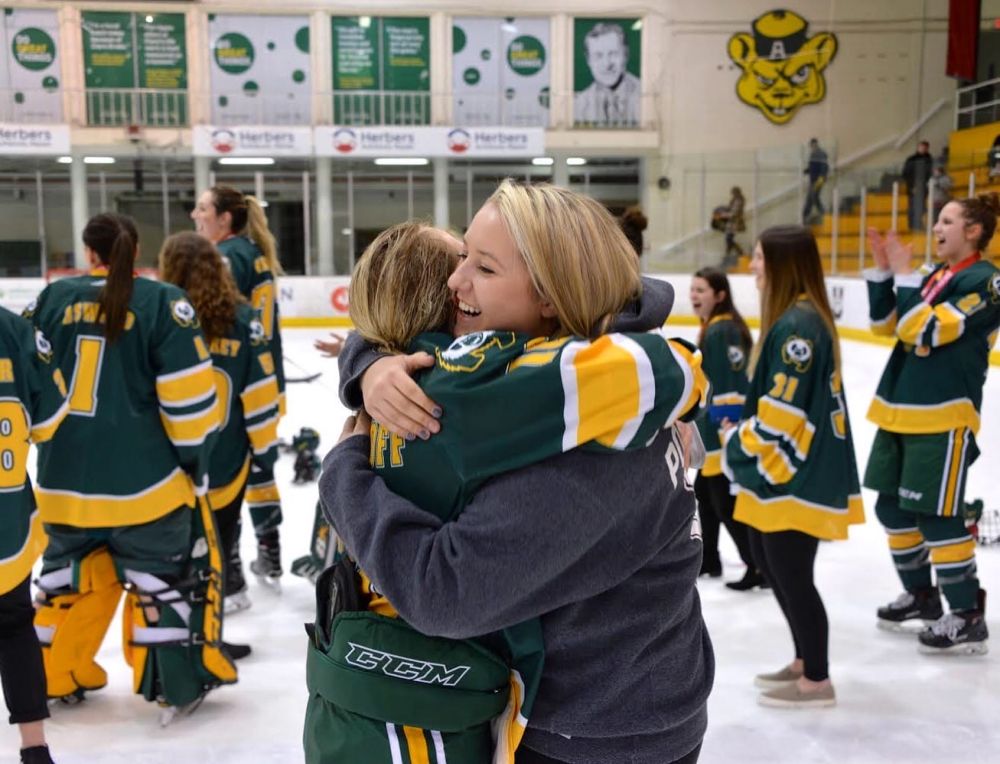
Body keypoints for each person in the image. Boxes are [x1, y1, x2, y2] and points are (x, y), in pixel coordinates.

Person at [319, 182, 714, 764]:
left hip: (599, 733)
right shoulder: (591, 368)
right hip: (620, 702)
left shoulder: (586, 448)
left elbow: (444, 593)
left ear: (551, 294)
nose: (457, 283)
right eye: (460, 259)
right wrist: (371, 367)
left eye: (482, 266)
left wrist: (345, 472)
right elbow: (414, 330)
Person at [25, 213, 235, 723]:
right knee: (163, 585)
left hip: (60, 490)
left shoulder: (50, 300)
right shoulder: (164, 303)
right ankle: (173, 684)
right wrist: (195, 468)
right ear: (136, 249)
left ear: (88, 251)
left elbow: (28, 397)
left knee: (62, 585)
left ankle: (54, 676)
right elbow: (188, 410)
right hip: (149, 491)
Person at [722, 224, 865, 708]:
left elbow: (782, 416)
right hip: (788, 472)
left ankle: (818, 680)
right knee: (769, 560)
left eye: (760, 257)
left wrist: (733, 446)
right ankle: (805, 661)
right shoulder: (793, 319)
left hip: (798, 474)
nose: (752, 266)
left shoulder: (797, 328)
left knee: (790, 573)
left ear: (781, 264)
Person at [864, 194, 1000, 654]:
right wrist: (885, 272)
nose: (937, 228)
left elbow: (923, 329)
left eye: (947, 221)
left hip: (943, 415)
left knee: (938, 518)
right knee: (892, 510)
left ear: (974, 231)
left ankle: (966, 614)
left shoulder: (989, 282)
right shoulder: (937, 276)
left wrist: (905, 276)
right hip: (900, 411)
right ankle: (923, 597)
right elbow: (885, 323)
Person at [158, 231, 281, 655]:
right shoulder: (245, 322)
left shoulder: (159, 319)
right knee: (215, 557)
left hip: (170, 465)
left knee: (170, 559)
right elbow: (261, 397)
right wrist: (265, 451)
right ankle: (208, 641)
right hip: (228, 464)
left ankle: (168, 647)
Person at [191, 185, 286, 603]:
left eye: (202, 208)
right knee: (258, 465)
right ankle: (269, 548)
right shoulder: (256, 253)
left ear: (225, 218)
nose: (195, 214)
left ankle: (228, 569)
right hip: (266, 377)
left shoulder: (226, 258)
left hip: (234, 378)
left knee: (226, 472)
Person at [0, 306, 68, 764]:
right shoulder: (12, 327)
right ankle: (34, 748)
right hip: (6, 528)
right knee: (14, 627)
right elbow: (48, 421)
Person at [689, 267, 764, 590]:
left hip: (722, 429)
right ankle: (709, 560)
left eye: (701, 290)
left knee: (722, 500)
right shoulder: (716, 327)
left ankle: (757, 565)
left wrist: (727, 424)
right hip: (714, 427)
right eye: (692, 290)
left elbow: (732, 383)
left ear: (719, 296)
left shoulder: (721, 331)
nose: (694, 296)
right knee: (706, 495)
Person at [573, 22, 641, 127]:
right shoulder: (578, 105)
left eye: (613, 54)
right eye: (598, 56)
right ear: (588, 60)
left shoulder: (647, 97)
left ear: (626, 55)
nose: (607, 64)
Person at [902, 140, 933, 232]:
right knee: (912, 207)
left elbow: (929, 174)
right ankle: (912, 225)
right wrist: (912, 186)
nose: (923, 149)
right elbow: (906, 174)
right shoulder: (911, 159)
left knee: (922, 207)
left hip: (924, 187)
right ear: (918, 147)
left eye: (925, 147)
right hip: (913, 187)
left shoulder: (929, 159)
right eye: (921, 147)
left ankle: (919, 224)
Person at [802, 138, 829, 224]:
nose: (812, 146)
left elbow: (824, 166)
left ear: (816, 144)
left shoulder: (820, 153)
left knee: (813, 196)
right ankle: (806, 215)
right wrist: (807, 170)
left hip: (818, 180)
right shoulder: (813, 154)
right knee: (812, 197)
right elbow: (813, 167)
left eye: (813, 144)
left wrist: (822, 177)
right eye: (811, 145)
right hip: (813, 179)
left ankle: (821, 213)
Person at [719, 186, 746, 267]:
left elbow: (734, 213)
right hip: (732, 223)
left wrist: (724, 215)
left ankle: (739, 253)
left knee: (729, 239)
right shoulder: (736, 200)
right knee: (729, 240)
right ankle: (731, 255)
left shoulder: (738, 201)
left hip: (734, 223)